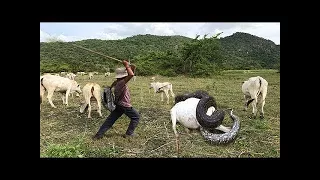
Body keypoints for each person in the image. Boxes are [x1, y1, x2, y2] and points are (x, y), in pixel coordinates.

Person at [92, 60, 140, 139]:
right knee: (136, 117)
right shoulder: (121, 83)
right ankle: (129, 134)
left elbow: (131, 73)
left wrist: (131, 67)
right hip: (124, 105)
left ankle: (99, 134)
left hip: (118, 104)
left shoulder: (117, 82)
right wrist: (127, 66)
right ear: (124, 76)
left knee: (110, 120)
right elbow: (131, 75)